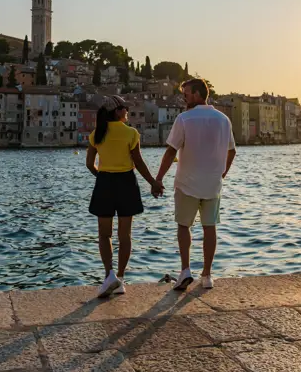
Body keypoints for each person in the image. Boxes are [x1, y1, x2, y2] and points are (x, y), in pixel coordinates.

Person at [155, 78, 236, 290]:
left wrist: (159, 178)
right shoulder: (223, 120)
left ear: (199, 95)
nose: (184, 97)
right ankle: (207, 275)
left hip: (187, 182)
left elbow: (171, 150)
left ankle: (185, 271)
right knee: (210, 227)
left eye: (187, 94)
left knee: (184, 226)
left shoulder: (184, 119)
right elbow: (232, 150)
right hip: (212, 184)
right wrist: (222, 173)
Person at [86, 95, 164, 297]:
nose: (127, 111)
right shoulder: (131, 133)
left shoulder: (97, 134)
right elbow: (138, 163)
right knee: (125, 235)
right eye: (125, 108)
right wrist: (154, 183)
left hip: (105, 183)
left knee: (104, 234)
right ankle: (120, 278)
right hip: (126, 183)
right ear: (117, 111)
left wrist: (102, 176)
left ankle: (109, 275)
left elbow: (89, 164)